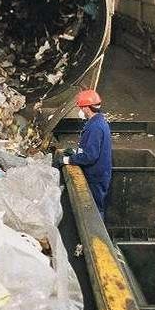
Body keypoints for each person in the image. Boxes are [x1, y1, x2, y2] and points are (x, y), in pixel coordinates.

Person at [54, 89, 112, 217]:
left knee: (94, 211)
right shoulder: (98, 122)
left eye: (80, 107)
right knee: (95, 207)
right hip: (98, 173)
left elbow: (90, 156)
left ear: (86, 107)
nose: (80, 111)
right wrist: (76, 153)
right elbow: (91, 148)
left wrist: (67, 160)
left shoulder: (95, 127)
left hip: (95, 176)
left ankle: (97, 235)